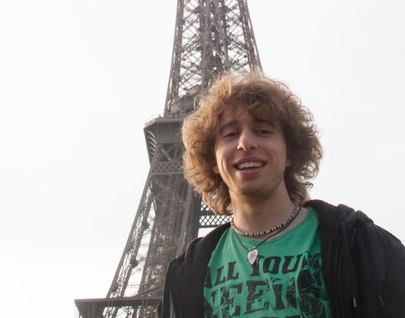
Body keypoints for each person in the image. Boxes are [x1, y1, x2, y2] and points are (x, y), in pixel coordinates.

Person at [159, 71, 405, 318]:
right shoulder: (187, 274)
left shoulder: (359, 244)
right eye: (231, 134)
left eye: (263, 130)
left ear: (290, 154)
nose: (246, 143)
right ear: (213, 160)